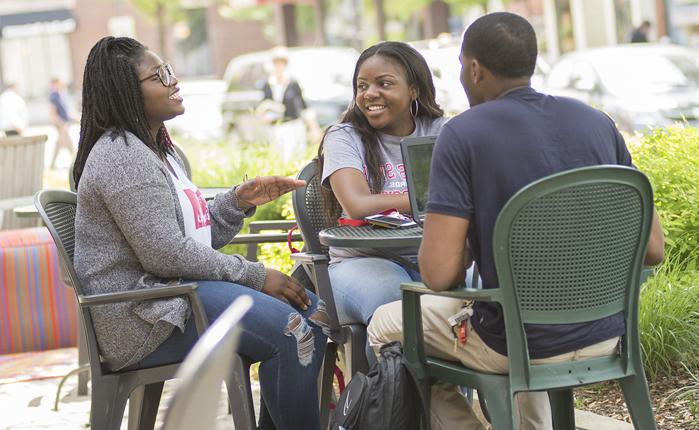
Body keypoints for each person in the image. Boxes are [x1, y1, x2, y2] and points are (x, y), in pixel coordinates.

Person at [368, 12, 665, 430]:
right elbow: (653, 250)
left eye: (460, 67)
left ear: (474, 69)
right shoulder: (598, 122)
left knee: (385, 325)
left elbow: (438, 274)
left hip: (517, 343)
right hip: (607, 333)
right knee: (514, 314)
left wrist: (470, 239)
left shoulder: (463, 134)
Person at [72, 36, 329, 430]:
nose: (174, 81)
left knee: (318, 317)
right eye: (160, 75)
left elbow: (187, 239)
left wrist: (238, 201)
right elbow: (166, 253)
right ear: (127, 91)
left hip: (175, 296)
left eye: (169, 70)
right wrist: (257, 276)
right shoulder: (122, 156)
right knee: (293, 331)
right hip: (145, 318)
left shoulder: (163, 151)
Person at [317, 41, 445, 330]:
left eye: (384, 84)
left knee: (489, 288)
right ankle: (388, 377)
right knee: (396, 306)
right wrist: (427, 199)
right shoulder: (344, 136)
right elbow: (357, 204)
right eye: (362, 86)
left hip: (434, 253)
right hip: (361, 262)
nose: (370, 94)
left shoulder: (440, 131)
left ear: (414, 89)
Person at [48, 78, 75, 169]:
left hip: (64, 123)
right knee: (68, 143)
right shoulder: (54, 96)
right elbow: (52, 112)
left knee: (60, 144)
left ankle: (52, 164)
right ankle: (76, 161)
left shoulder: (60, 95)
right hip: (61, 124)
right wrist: (60, 123)